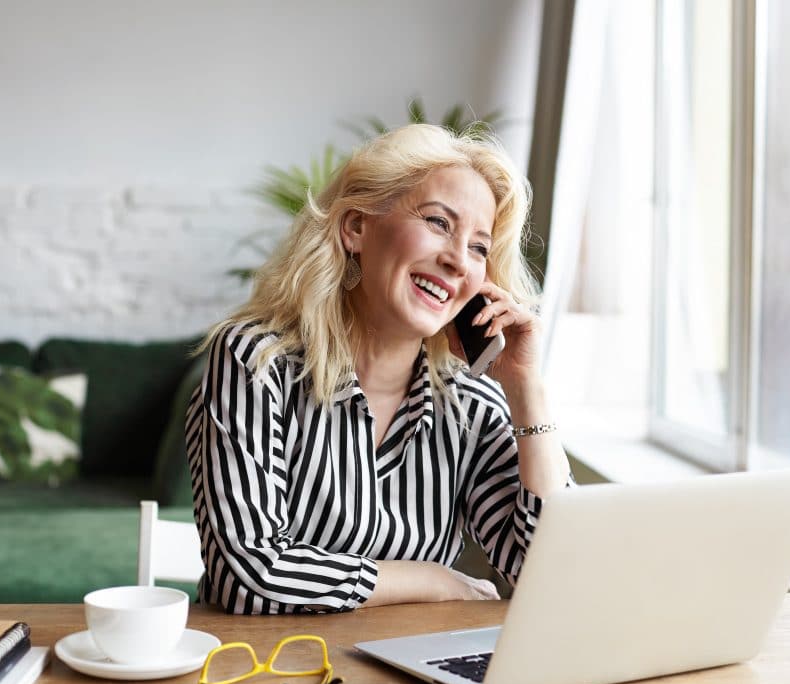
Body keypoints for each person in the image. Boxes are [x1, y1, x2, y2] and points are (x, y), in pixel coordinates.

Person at [186, 123, 573, 615]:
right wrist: (428, 580)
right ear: (356, 227)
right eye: (439, 222)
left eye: (479, 247)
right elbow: (249, 576)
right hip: (264, 670)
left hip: (411, 677)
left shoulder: (471, 403)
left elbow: (552, 574)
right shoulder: (255, 361)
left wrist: (526, 389)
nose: (459, 260)